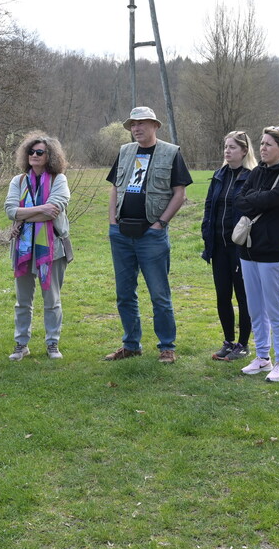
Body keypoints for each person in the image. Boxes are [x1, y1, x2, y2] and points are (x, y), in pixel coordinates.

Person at [105, 106, 192, 364]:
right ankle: (131, 345)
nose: (136, 128)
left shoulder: (170, 152)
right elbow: (115, 188)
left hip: (151, 235)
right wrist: (112, 223)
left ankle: (167, 347)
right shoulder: (125, 151)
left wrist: (160, 224)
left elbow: (180, 193)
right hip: (121, 234)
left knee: (159, 294)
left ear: (155, 125)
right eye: (133, 124)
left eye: (142, 123)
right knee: (124, 293)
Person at [236, 125, 279, 382]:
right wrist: (259, 197)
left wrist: (257, 198)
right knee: (255, 307)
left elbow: (272, 199)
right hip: (248, 248)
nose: (262, 148)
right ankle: (262, 357)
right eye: (262, 144)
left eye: (268, 145)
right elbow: (239, 200)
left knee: (276, 308)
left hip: (273, 249)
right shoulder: (256, 172)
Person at [4, 132, 71, 360]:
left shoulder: (58, 180)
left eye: (39, 152)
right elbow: (11, 210)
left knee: (52, 300)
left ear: (49, 155)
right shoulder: (18, 181)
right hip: (23, 249)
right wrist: (39, 211)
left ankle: (52, 343)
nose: (34, 155)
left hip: (52, 249)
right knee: (22, 301)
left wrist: (23, 217)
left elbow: (56, 208)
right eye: (31, 151)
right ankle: (21, 344)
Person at [201, 131, 257, 362]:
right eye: (225, 146)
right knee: (222, 295)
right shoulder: (218, 175)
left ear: (244, 151)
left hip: (240, 248)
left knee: (243, 296)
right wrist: (206, 234)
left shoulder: (253, 176)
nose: (227, 151)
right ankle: (228, 341)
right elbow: (208, 207)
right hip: (218, 246)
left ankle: (243, 344)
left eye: (233, 147)